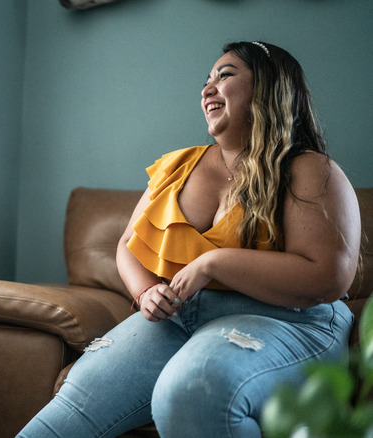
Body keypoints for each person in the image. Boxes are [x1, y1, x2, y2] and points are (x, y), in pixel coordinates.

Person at [18, 41, 361, 437]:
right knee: (77, 399)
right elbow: (128, 245)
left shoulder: (310, 170)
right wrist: (146, 292)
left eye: (225, 75)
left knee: (189, 392)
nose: (207, 89)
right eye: (207, 80)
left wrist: (213, 263)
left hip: (289, 320)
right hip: (181, 316)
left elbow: (328, 277)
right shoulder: (178, 166)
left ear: (266, 89)